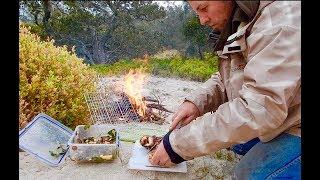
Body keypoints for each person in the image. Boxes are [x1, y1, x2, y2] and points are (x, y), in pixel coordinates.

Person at [150, 1, 301, 179]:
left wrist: (176, 146)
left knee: (248, 174)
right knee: (238, 143)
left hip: (294, 123)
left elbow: (259, 109)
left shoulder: (278, 23)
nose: (202, 21)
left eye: (204, 9)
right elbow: (236, 75)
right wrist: (197, 103)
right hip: (286, 112)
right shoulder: (243, 19)